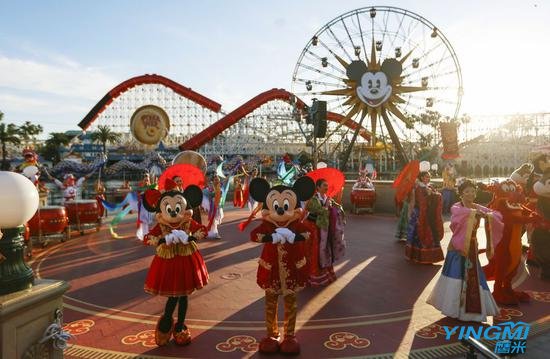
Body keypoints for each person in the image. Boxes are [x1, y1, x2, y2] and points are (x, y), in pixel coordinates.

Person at [142, 180, 208, 346]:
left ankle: (179, 325)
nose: (173, 213)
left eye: (177, 208)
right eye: (169, 209)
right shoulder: (162, 225)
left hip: (186, 260)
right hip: (169, 262)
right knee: (174, 295)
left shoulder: (187, 221)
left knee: (183, 295)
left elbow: (202, 229)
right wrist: (163, 239)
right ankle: (168, 321)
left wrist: (191, 237)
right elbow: (148, 238)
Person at [427, 179, 503, 322]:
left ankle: (470, 311)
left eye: (473, 191)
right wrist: (477, 214)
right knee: (456, 274)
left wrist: (488, 216)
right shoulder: (457, 208)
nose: (471, 194)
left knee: (473, 277)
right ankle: (453, 308)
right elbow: (462, 214)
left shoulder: (476, 207)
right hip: (457, 247)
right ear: (461, 194)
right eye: (467, 191)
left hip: (472, 247)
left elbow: (496, 214)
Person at [304, 178, 341, 286]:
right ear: (318, 187)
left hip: (324, 228)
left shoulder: (326, 198)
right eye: (324, 185)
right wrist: (326, 206)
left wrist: (335, 204)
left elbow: (333, 209)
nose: (326, 187)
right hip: (313, 228)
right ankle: (313, 275)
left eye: (327, 185)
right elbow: (320, 211)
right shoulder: (312, 200)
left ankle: (325, 273)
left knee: (325, 249)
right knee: (315, 251)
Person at [405, 171, 445, 264]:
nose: (428, 178)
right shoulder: (418, 188)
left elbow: (436, 196)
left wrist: (433, 194)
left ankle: (425, 256)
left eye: (429, 177)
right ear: (422, 177)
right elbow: (421, 201)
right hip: (419, 214)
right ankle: (418, 256)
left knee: (426, 234)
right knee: (418, 234)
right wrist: (430, 195)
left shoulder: (428, 187)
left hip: (428, 214)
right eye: (427, 177)